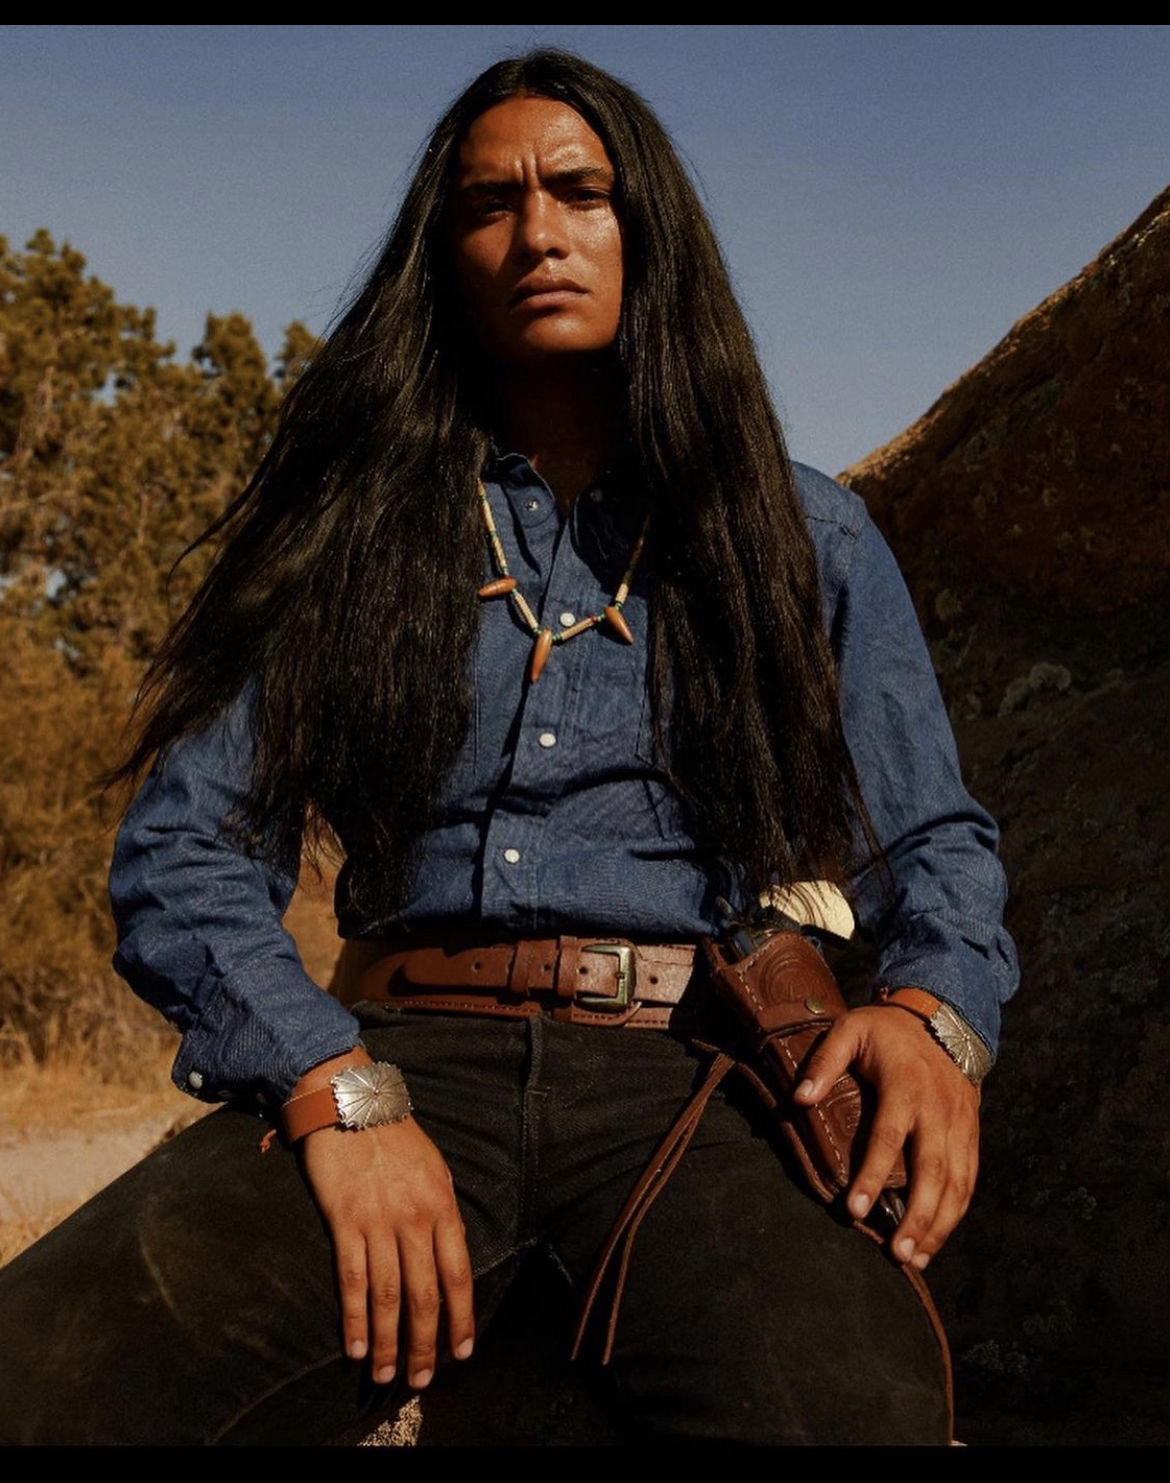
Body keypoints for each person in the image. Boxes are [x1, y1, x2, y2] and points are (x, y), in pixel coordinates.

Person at [0, 50, 1016, 1445]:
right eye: (489, 204)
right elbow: (181, 846)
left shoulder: (800, 534)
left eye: (578, 192)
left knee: (853, 1410)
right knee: (40, 1372)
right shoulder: (350, 534)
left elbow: (932, 840)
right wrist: (336, 1093)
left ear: (641, 227)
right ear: (446, 254)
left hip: (684, 1084)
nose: (537, 232)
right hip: (399, 1058)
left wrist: (932, 1017)